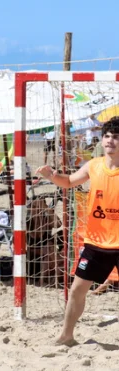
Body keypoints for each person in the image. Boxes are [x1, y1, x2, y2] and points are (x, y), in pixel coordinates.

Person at [37, 117, 119, 346]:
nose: (111, 140)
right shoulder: (94, 165)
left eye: (116, 137)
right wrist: (51, 175)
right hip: (96, 243)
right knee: (76, 290)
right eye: (108, 136)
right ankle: (67, 336)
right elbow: (69, 181)